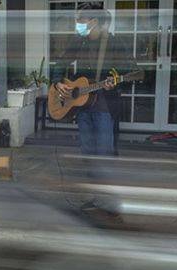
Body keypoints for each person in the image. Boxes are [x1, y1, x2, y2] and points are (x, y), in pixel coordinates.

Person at [50, 2, 131, 221]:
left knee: (104, 154)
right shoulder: (79, 41)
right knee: (88, 152)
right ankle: (97, 196)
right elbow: (60, 63)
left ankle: (112, 200)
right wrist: (59, 82)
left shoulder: (114, 44)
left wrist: (116, 82)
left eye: (81, 21)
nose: (78, 25)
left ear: (94, 22)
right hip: (83, 107)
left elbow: (131, 72)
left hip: (105, 108)